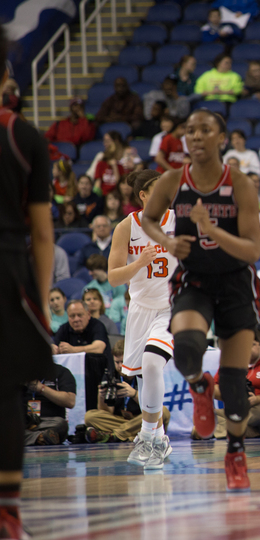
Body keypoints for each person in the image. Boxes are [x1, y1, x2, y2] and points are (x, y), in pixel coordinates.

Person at [141, 109, 260, 491]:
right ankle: (198, 387)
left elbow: (252, 250)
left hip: (234, 283)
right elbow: (148, 218)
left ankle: (236, 451)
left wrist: (211, 229)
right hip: (194, 279)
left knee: (234, 390)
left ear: (220, 138)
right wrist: (166, 241)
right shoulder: (173, 180)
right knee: (186, 349)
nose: (195, 137)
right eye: (190, 131)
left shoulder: (240, 184)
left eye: (204, 130)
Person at [0, 33, 55, 533]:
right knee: (8, 391)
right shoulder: (23, 137)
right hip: (7, 271)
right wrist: (40, 302)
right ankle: (8, 509)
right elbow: (42, 233)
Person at [105, 169, 178, 467]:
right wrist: (139, 263)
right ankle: (159, 439)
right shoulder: (126, 227)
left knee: (151, 363)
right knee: (141, 375)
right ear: (144, 196)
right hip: (140, 309)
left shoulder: (179, 220)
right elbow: (112, 277)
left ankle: (148, 436)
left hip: (172, 307)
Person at [195, 329, 260, 439]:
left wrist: (257, 400)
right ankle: (234, 431)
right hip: (241, 413)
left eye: (252, 344)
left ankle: (210, 430)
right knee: (205, 414)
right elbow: (215, 388)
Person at [83, 339, 172, 444]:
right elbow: (106, 412)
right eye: (117, 362)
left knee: (163, 411)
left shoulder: (144, 374)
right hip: (122, 421)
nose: (120, 366)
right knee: (90, 416)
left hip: (143, 419)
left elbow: (154, 404)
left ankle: (116, 434)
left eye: (123, 362)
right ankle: (130, 434)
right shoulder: (110, 375)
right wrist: (102, 397)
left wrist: (134, 394)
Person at [52, 300, 114, 413]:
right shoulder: (64, 329)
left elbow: (99, 347)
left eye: (80, 315)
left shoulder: (97, 325)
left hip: (98, 379)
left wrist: (73, 350)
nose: (76, 319)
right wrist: (53, 348)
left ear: (88, 314)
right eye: (72, 316)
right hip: (71, 381)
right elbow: (53, 346)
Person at [23, 365, 76, 446]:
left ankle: (27, 436)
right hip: (24, 422)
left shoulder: (61, 372)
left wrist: (41, 388)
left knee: (61, 424)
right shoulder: (18, 374)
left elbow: (70, 402)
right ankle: (40, 437)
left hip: (48, 423)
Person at [93, 131, 127, 196]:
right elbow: (98, 182)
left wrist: (114, 166)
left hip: (116, 195)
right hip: (103, 195)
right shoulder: (101, 164)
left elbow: (119, 183)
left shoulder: (120, 166)